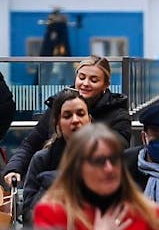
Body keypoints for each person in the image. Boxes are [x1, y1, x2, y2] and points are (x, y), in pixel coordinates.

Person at [4, 56, 131, 189]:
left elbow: (116, 154)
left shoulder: (118, 116)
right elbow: (31, 143)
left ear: (105, 84)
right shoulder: (58, 105)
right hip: (53, 182)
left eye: (94, 80)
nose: (85, 83)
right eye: (81, 77)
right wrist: (14, 167)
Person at [21, 88, 92, 218]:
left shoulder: (104, 158)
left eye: (81, 114)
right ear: (57, 124)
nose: (75, 120)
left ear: (90, 120)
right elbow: (28, 214)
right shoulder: (42, 159)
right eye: (67, 116)